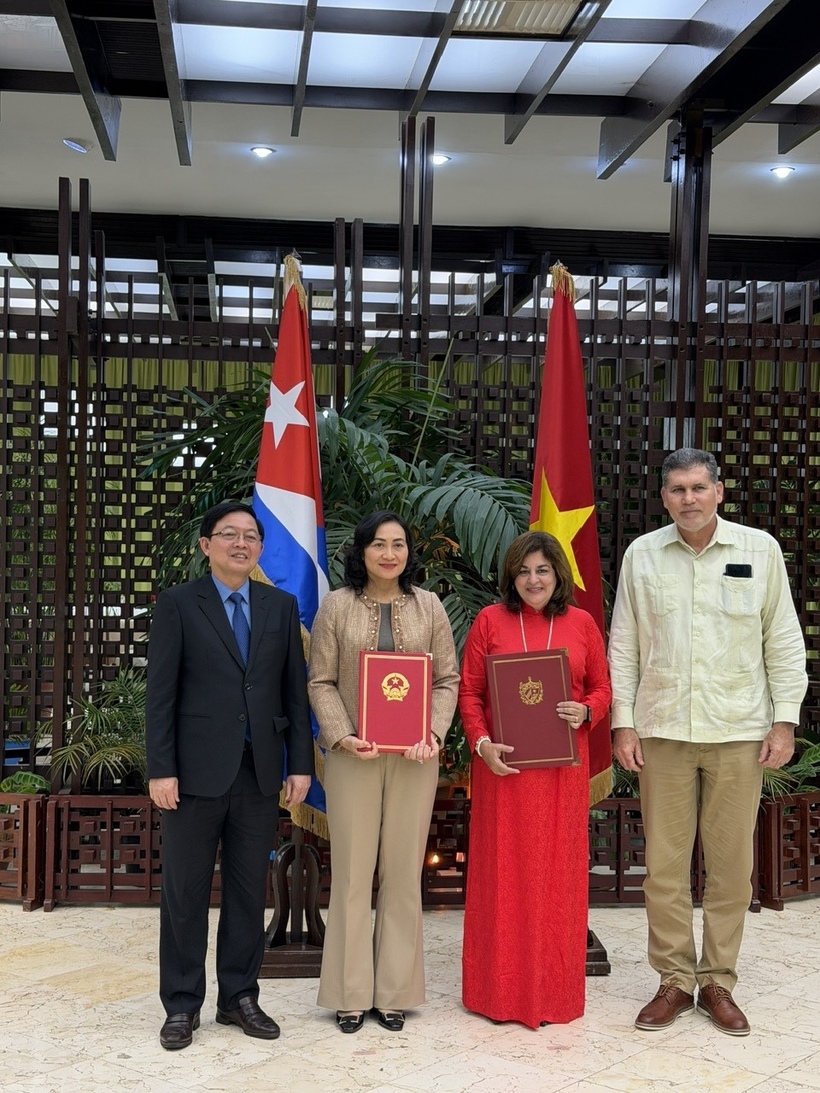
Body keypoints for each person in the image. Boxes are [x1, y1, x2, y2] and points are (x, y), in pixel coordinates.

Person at [609, 448, 807, 1037]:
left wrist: (784, 720)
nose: (688, 499)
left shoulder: (759, 550)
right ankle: (673, 980)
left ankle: (718, 980)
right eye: (676, 490)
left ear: (719, 491)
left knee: (731, 866)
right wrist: (623, 721)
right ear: (664, 497)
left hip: (740, 731)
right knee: (664, 867)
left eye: (698, 487)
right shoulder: (642, 556)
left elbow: (783, 640)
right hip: (663, 730)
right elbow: (624, 645)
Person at [146, 500, 314, 1050]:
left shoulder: (281, 606)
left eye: (250, 536)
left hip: (260, 773)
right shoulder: (178, 605)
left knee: (247, 891)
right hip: (192, 775)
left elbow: (294, 691)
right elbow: (161, 696)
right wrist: (161, 769)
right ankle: (182, 1004)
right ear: (206, 545)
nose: (240, 544)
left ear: (261, 548)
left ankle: (239, 996)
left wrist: (300, 766)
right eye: (228, 534)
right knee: (185, 892)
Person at [307, 510, 459, 1033]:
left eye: (398, 544)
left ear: (408, 552)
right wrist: (342, 734)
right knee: (351, 873)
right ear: (362, 552)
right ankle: (349, 995)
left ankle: (394, 992)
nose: (389, 554)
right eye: (379, 544)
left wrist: (434, 734)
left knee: (401, 873)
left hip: (416, 759)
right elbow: (321, 680)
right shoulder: (337, 606)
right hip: (353, 757)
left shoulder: (431, 606)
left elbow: (447, 679)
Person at [459, 530, 611, 1029]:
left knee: (556, 879)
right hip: (504, 771)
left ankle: (555, 992)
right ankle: (496, 994)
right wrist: (482, 743)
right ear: (510, 576)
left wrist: (586, 709)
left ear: (558, 574)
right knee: (503, 876)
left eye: (542, 570)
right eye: (523, 571)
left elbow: (603, 687)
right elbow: (470, 693)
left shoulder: (582, 623)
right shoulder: (489, 621)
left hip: (562, 775)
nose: (532, 579)